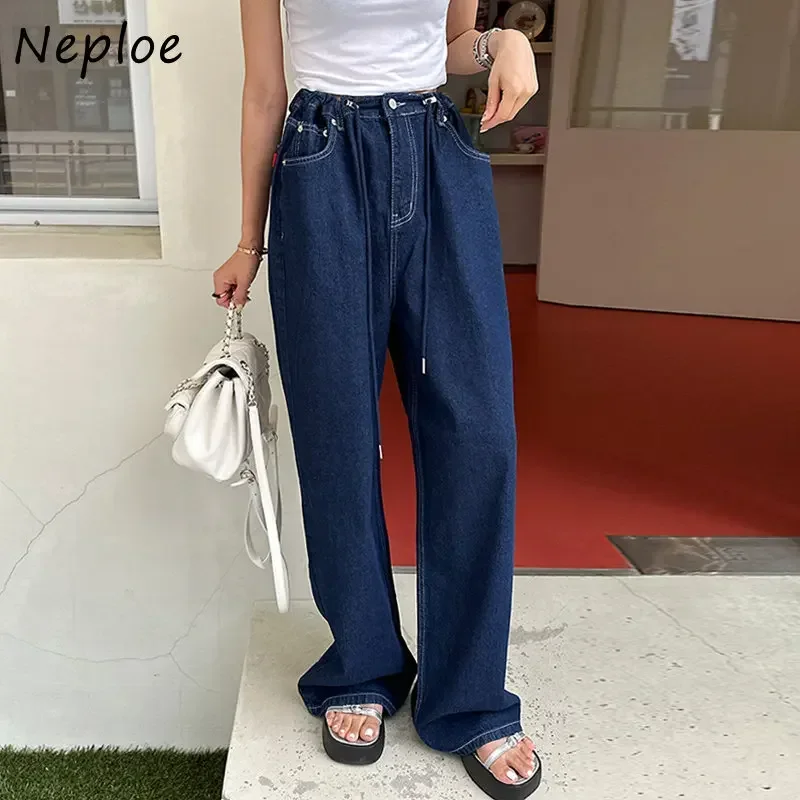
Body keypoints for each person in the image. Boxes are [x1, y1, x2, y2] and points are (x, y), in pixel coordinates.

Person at [212, 2, 540, 797]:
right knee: (338, 438)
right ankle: (361, 663)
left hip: (435, 154)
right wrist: (250, 240)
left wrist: (505, 42)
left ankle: (469, 696)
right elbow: (265, 90)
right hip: (320, 164)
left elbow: (451, 44)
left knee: (478, 435)